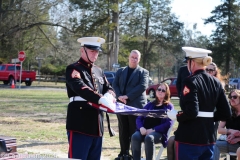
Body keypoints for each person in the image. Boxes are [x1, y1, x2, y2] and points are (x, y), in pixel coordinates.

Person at [167, 47, 231, 160]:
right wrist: (208, 117)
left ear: (192, 62)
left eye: (188, 61)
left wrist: (177, 115)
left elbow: (192, 112)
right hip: (208, 137)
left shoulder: (190, 81)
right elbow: (226, 113)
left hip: (189, 138)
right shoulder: (216, 82)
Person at [65, 37, 116, 160]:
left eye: (97, 51)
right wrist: (100, 99)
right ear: (82, 50)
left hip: (97, 125)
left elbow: (110, 88)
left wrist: (109, 95)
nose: (95, 54)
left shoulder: (98, 70)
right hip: (80, 124)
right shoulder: (74, 69)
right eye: (92, 51)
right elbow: (81, 88)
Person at [113, 50, 149, 160]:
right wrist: (119, 96)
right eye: (132, 57)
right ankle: (124, 153)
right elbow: (115, 84)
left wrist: (127, 96)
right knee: (123, 129)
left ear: (139, 59)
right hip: (121, 105)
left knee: (134, 130)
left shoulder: (143, 72)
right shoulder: (120, 71)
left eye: (136, 58)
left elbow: (142, 86)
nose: (134, 59)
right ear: (129, 57)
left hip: (135, 105)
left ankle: (135, 154)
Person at [131, 83, 174, 160]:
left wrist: (153, 129)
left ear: (166, 93)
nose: (160, 91)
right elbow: (139, 118)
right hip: (144, 130)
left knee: (149, 137)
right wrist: (141, 127)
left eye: (163, 90)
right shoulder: (149, 104)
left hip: (158, 133)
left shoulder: (169, 106)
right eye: (159, 89)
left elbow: (169, 123)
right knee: (135, 136)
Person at [213, 89, 240, 160]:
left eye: (235, 97)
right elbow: (219, 129)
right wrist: (231, 131)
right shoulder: (228, 113)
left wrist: (237, 138)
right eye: (230, 97)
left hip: (238, 145)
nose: (232, 99)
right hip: (231, 144)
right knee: (215, 145)